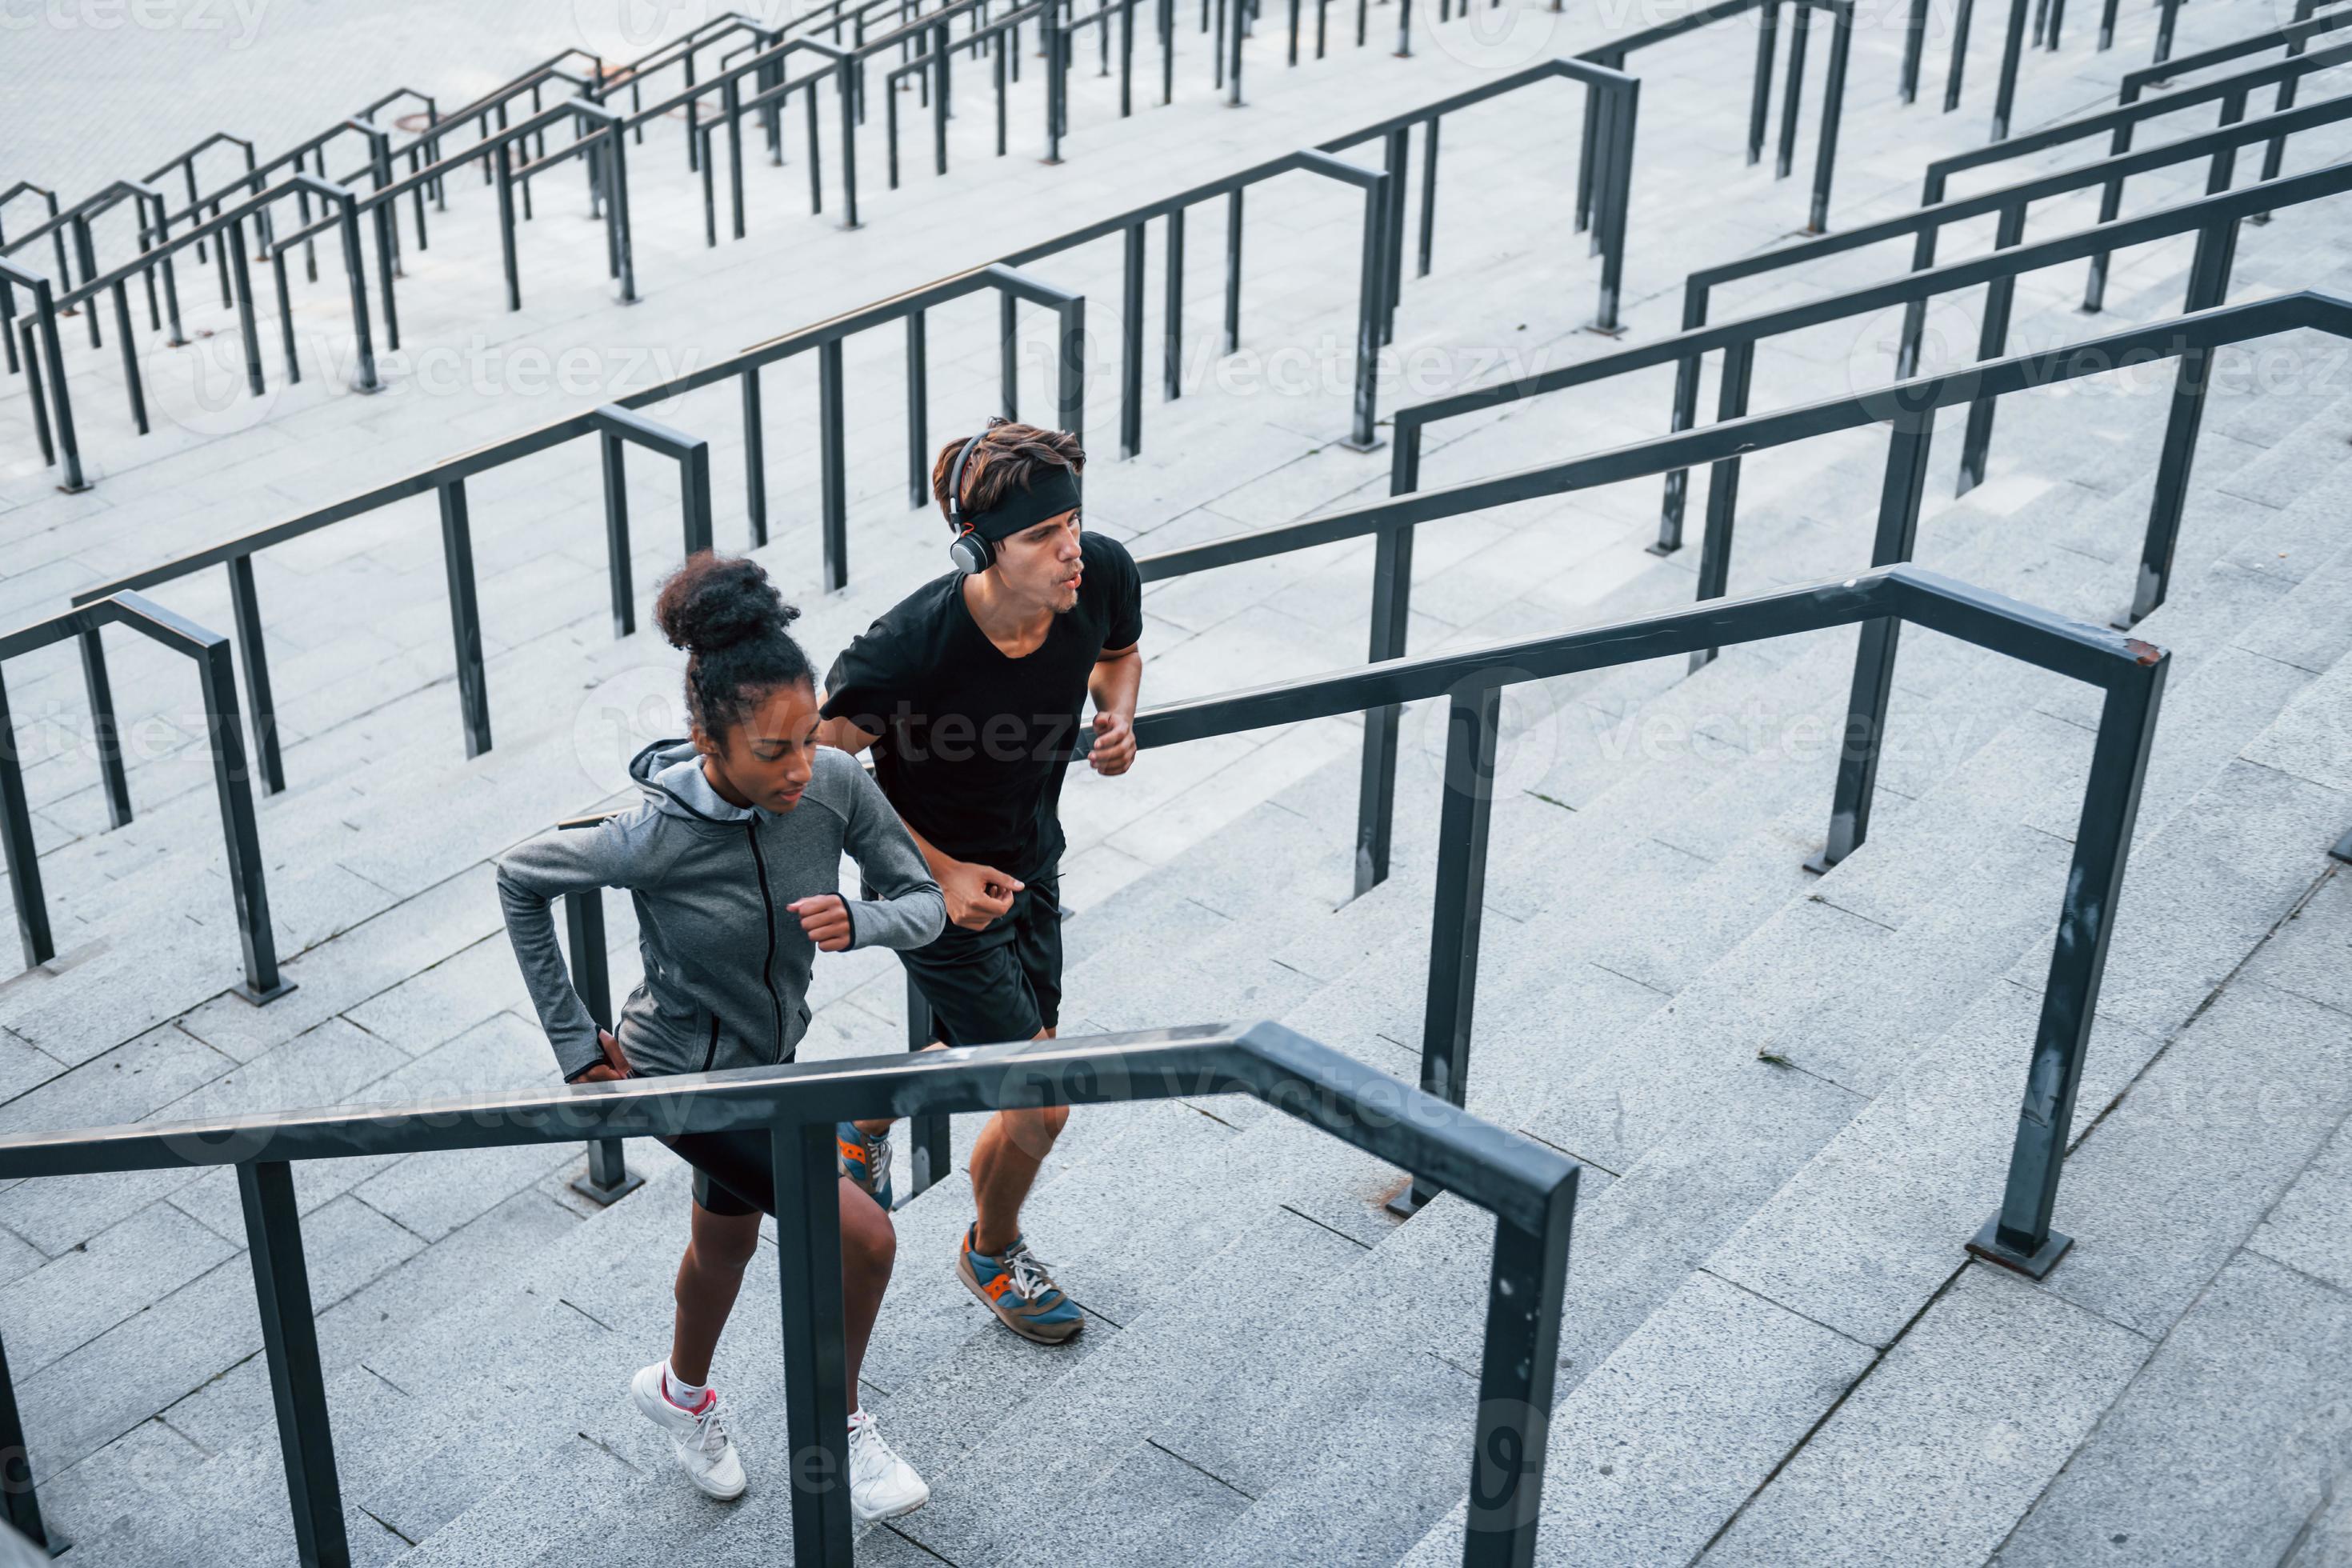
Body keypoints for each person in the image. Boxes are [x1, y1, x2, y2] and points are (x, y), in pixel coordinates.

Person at [494, 552, 946, 1521]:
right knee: (862, 1235)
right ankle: (841, 1424)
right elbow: (519, 877)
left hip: (771, 1060)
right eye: (771, 750)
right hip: (680, 1077)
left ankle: (679, 1390)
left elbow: (923, 905)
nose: (797, 768)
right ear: (708, 740)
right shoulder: (653, 834)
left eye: (805, 735)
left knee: (725, 1242)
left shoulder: (832, 782)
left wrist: (859, 920)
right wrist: (575, 1041)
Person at [815, 418, 1142, 1347]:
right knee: (1041, 1094)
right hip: (937, 893)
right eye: (1044, 535)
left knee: (981, 1039)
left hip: (1033, 862)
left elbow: (1118, 655)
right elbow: (820, 774)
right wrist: (938, 873)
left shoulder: (1104, 575)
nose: (1071, 548)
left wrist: (1117, 716)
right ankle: (993, 1250)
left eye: (1073, 521)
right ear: (979, 549)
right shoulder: (907, 649)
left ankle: (860, 1114)